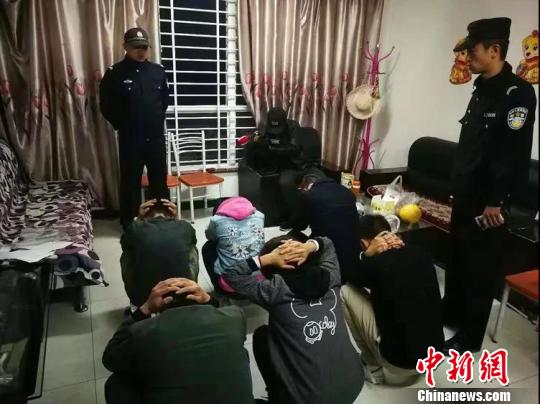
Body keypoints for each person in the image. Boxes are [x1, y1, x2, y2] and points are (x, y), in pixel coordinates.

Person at [444, 17, 537, 353]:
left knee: (480, 269)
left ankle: (469, 339)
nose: (467, 58)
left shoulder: (518, 93)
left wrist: (496, 201)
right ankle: (451, 315)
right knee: (458, 260)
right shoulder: (481, 87)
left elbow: (512, 153)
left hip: (490, 202)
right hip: (466, 194)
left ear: (494, 50)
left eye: (473, 51)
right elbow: (472, 146)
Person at [224, 235, 364, 404]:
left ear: (269, 270)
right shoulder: (331, 276)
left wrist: (267, 259)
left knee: (262, 336)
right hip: (354, 383)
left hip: (309, 400)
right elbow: (327, 243)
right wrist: (308, 247)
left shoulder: (274, 290)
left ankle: (277, 396)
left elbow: (230, 274)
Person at [102, 277, 255, 404]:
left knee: (116, 384)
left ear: (159, 307)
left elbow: (110, 359)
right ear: (199, 297)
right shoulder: (234, 316)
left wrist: (144, 309)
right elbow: (221, 310)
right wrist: (209, 299)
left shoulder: (142, 332)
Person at [341, 215, 444, 385]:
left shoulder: (374, 264)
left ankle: (373, 368)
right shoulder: (421, 253)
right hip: (434, 356)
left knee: (345, 291)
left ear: (364, 243)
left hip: (399, 363)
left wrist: (367, 255)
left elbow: (347, 276)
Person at [100, 27, 170, 229]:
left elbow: (164, 102)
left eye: (144, 47)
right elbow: (106, 106)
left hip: (155, 138)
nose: (140, 51)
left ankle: (162, 221)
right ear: (125, 47)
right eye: (135, 47)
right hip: (131, 140)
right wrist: (122, 125)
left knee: (159, 182)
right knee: (130, 183)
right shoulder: (114, 73)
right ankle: (130, 225)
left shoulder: (158, 71)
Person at [121, 199, 198, 307]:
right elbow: (192, 240)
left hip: (145, 300)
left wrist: (138, 218)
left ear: (146, 214)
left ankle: (136, 304)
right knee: (191, 247)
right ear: (171, 213)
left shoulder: (135, 227)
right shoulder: (185, 226)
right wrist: (176, 219)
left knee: (128, 252)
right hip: (183, 294)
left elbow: (124, 244)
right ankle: (191, 288)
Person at [289, 172, 361, 283]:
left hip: (329, 253)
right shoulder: (346, 191)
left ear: (305, 187)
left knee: (292, 235)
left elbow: (298, 226)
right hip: (353, 254)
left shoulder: (308, 196)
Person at [202, 197, 265, 294]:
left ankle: (219, 289)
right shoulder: (259, 215)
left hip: (232, 285)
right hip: (261, 281)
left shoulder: (216, 220)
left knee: (208, 247)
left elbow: (210, 237)